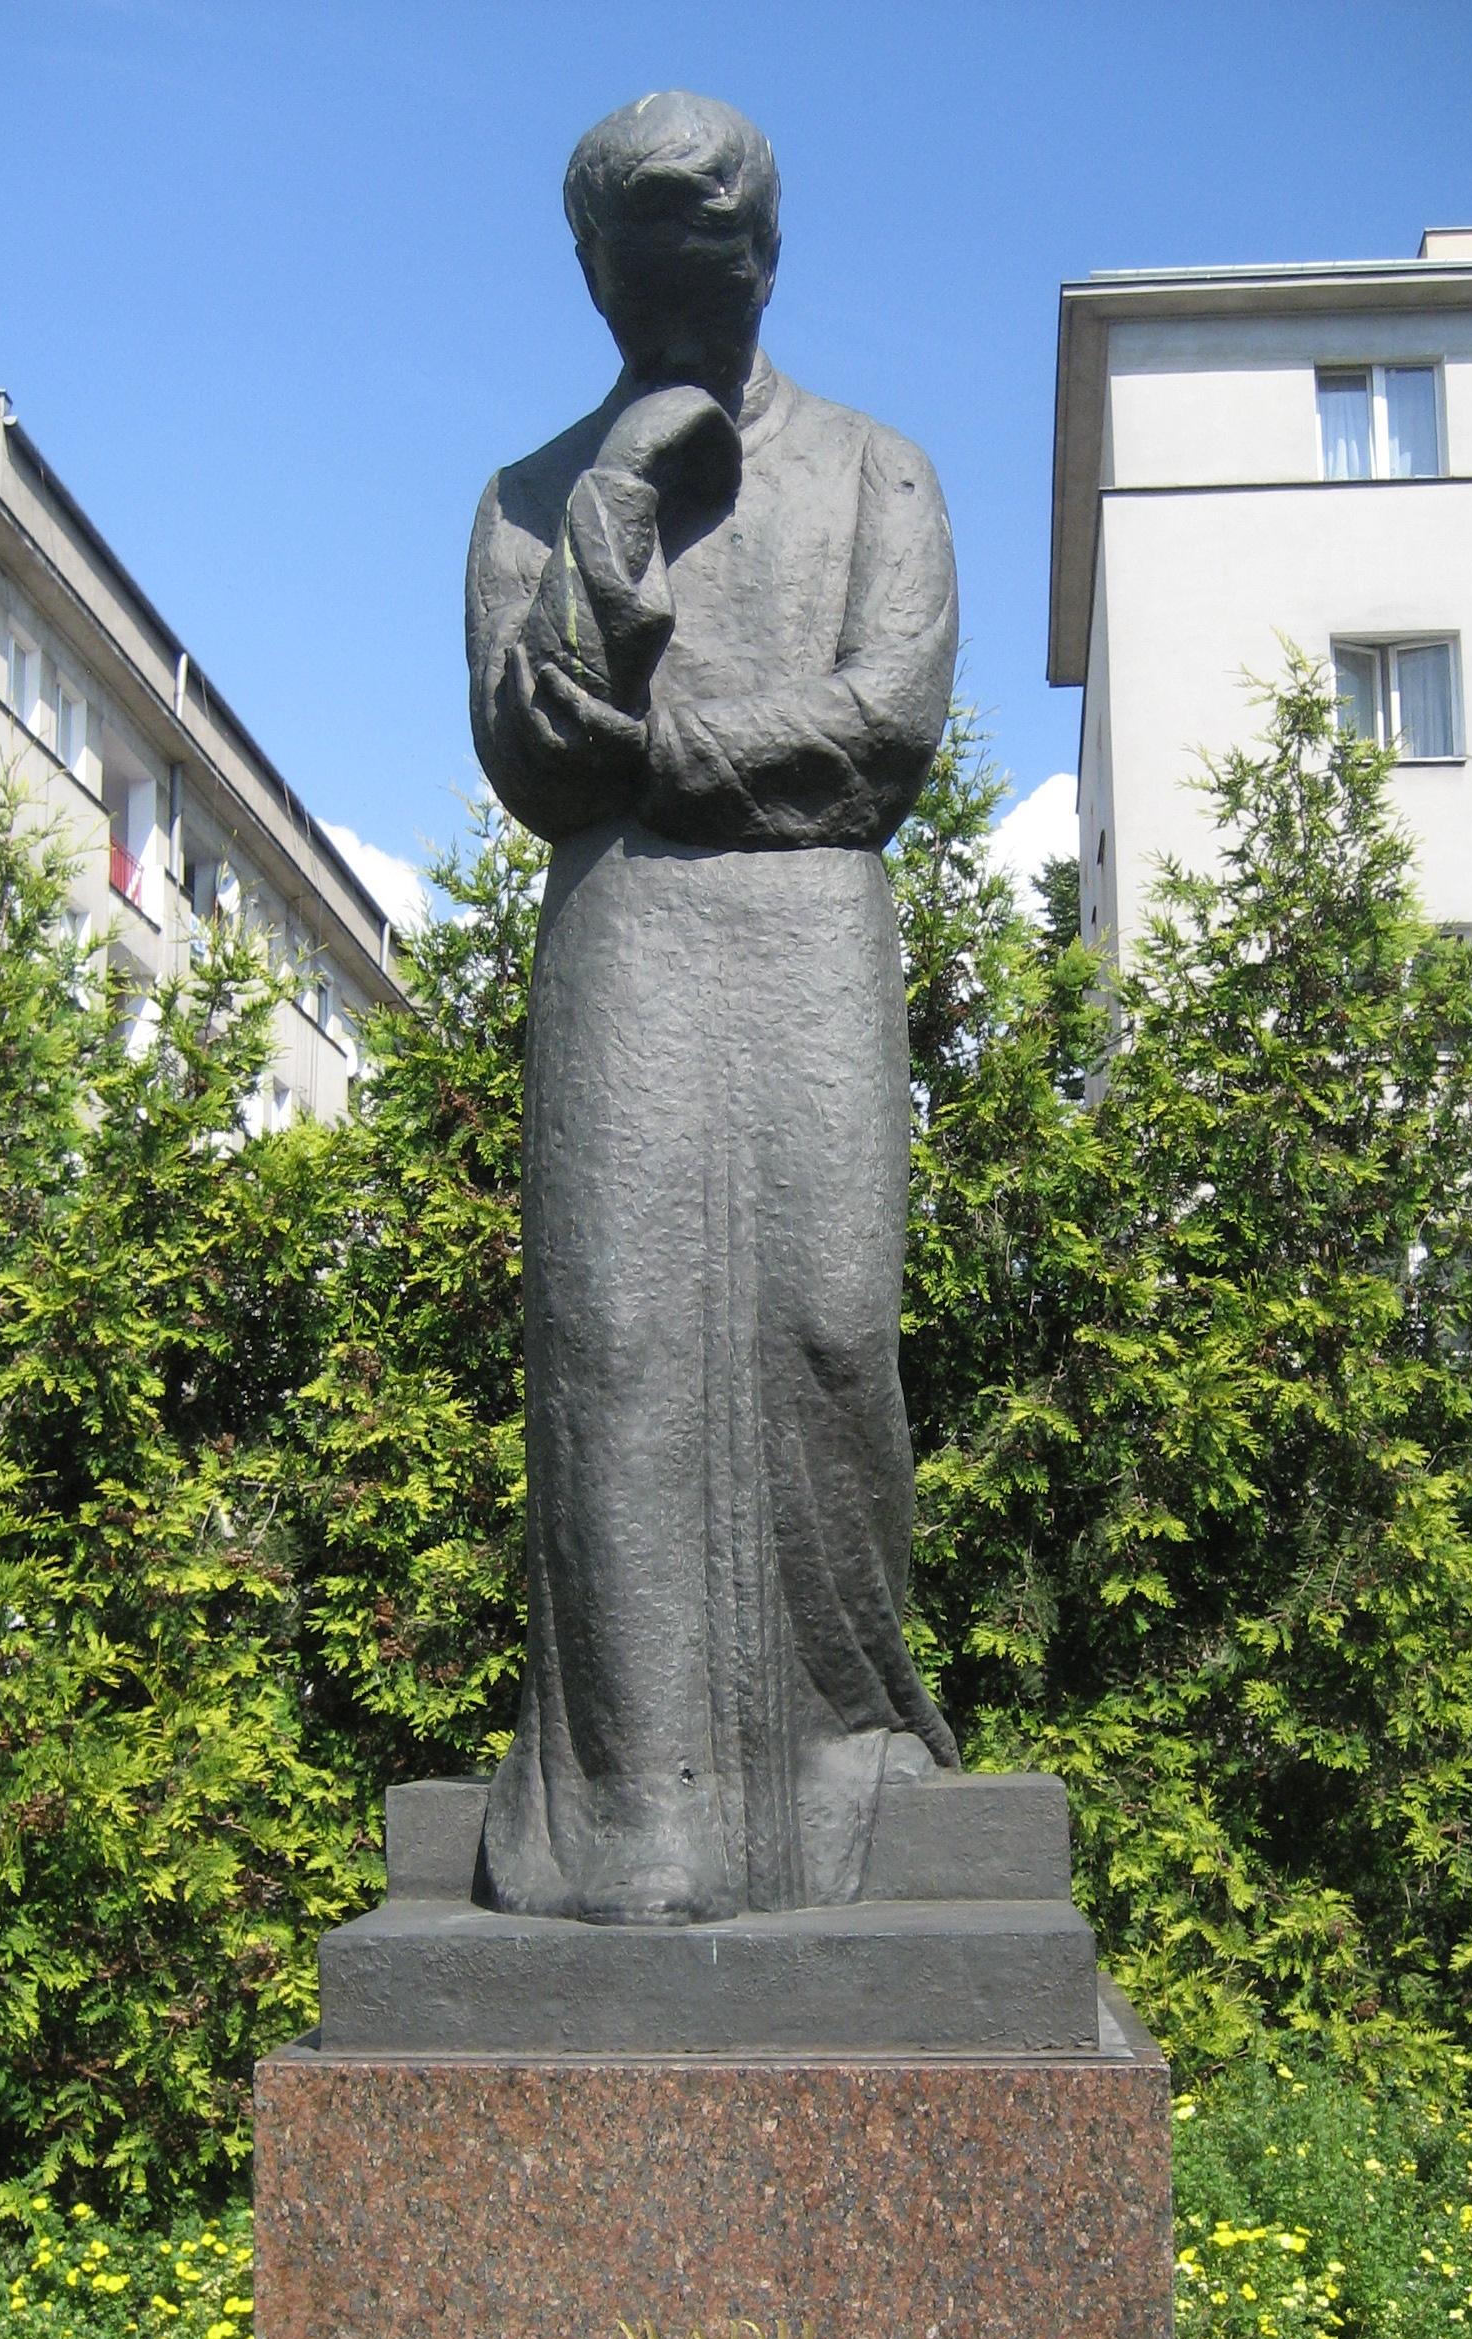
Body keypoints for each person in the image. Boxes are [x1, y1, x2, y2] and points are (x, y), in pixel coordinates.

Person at [467, 89, 959, 1925]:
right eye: (639, 257)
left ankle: (844, 1761)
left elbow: (884, 727)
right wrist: (616, 511)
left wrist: (661, 754)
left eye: (717, 248)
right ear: (590, 273)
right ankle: (638, 1809)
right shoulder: (533, 496)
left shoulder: (875, 469)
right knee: (619, 1350)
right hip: (623, 953)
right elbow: (533, 753)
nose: (683, 284)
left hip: (810, 940)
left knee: (833, 1331)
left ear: (770, 253)